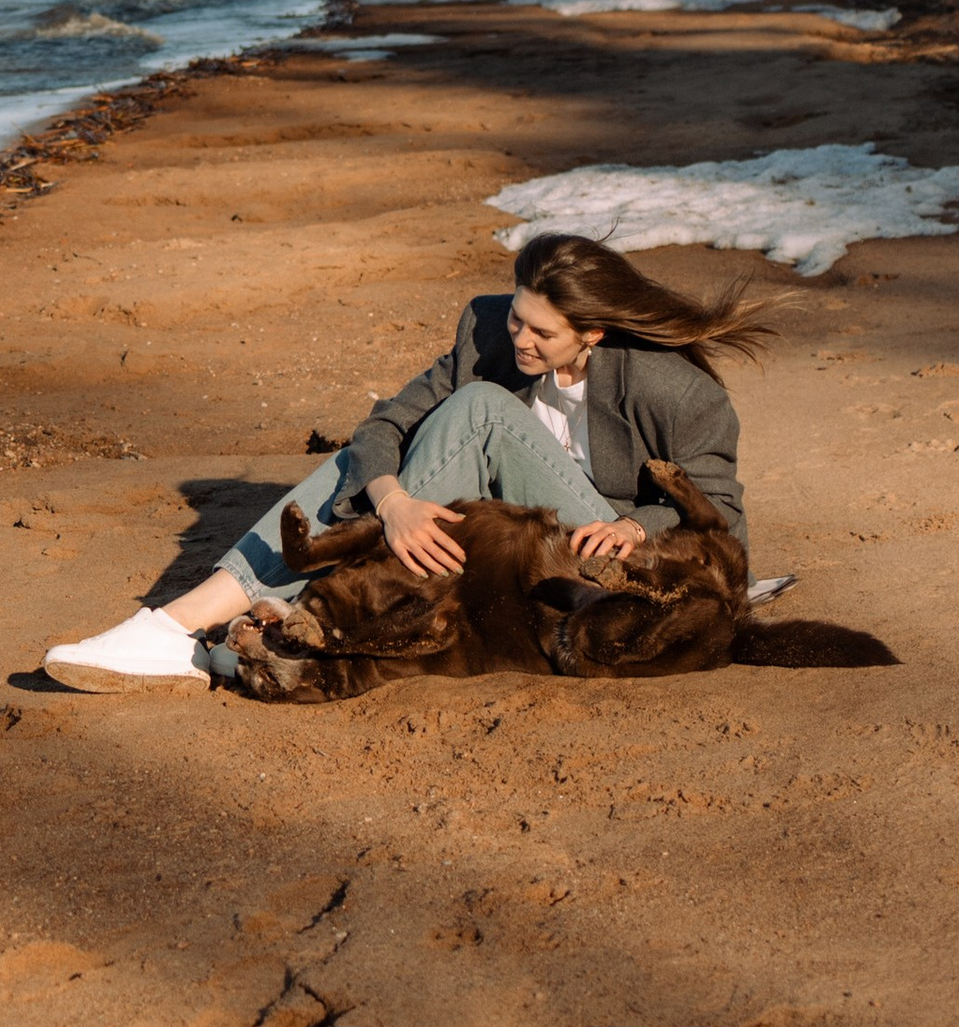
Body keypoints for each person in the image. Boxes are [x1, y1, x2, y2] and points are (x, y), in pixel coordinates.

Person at [43, 226, 759, 692]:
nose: (520, 340)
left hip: (595, 557)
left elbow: (722, 517)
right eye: (515, 317)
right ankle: (205, 627)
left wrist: (634, 530)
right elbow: (382, 428)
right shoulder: (486, 333)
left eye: (542, 332)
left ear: (594, 334)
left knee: (478, 409)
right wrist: (393, 504)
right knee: (403, 448)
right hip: (501, 546)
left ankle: (210, 623)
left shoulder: (675, 392)